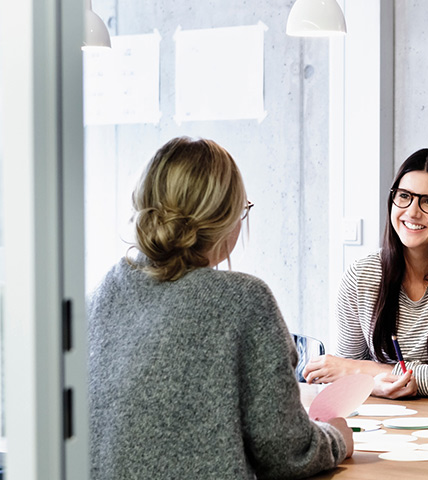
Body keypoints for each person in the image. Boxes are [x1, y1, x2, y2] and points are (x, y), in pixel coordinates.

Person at [89, 137, 352, 479]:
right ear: (225, 220)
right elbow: (287, 453)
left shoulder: (105, 290)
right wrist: (336, 439)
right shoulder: (244, 299)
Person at [302, 148, 428, 399]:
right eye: (404, 196)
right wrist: (371, 380)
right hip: (385, 424)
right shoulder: (361, 275)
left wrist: (363, 370)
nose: (412, 211)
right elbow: (341, 377)